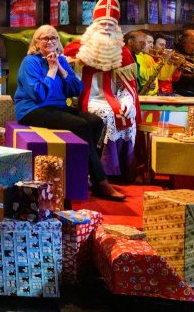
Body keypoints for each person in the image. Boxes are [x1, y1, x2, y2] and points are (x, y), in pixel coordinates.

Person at [17, 24, 125, 201]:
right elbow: (38, 94)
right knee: (81, 126)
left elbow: (76, 89)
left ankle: (87, 173)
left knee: (96, 121)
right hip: (32, 109)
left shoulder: (61, 60)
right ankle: (100, 181)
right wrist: (51, 71)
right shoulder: (30, 62)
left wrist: (61, 69)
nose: (50, 41)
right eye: (45, 38)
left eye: (54, 37)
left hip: (56, 107)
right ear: (36, 42)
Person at [62, 0, 141, 183]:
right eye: (102, 24)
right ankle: (102, 171)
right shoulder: (77, 48)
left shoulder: (123, 53)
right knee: (107, 116)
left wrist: (127, 101)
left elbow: (125, 86)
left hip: (112, 97)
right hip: (87, 98)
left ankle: (121, 171)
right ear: (94, 25)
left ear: (117, 28)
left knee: (125, 115)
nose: (106, 28)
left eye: (110, 25)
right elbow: (69, 80)